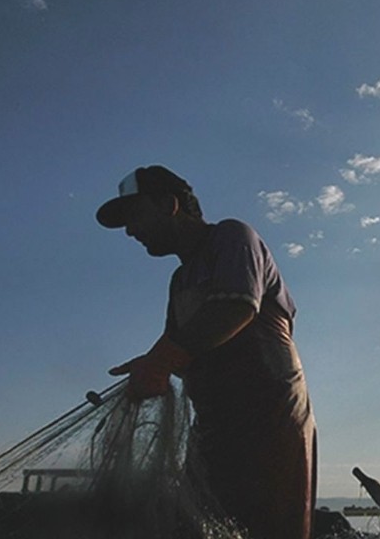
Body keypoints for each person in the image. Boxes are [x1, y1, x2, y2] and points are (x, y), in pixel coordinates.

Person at [96, 165, 316, 539]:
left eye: (135, 216)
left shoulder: (232, 236)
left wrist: (161, 361)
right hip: (215, 429)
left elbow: (237, 307)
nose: (131, 231)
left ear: (169, 204)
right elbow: (181, 348)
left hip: (271, 425)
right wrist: (150, 366)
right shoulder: (180, 280)